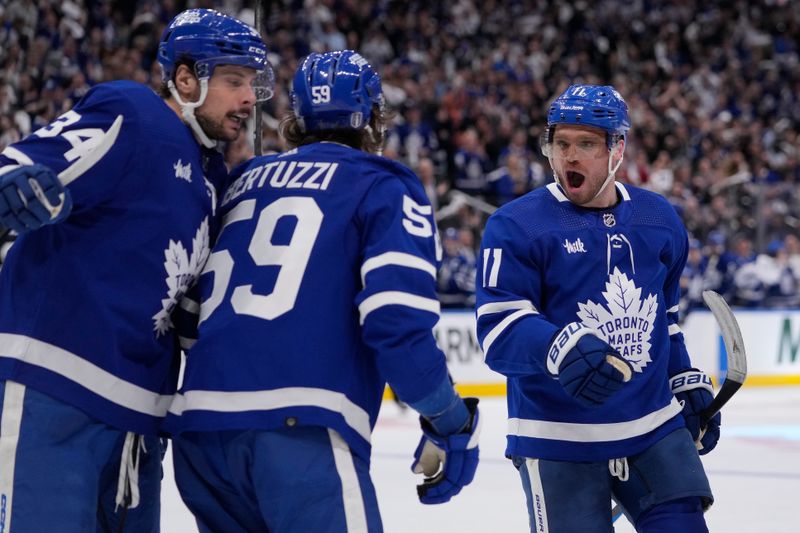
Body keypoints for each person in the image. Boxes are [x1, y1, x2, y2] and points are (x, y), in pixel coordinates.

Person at [165, 50, 481, 533]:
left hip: (201, 434)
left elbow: (187, 318)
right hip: (301, 430)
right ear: (375, 119)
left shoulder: (239, 182)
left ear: (296, 118)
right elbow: (395, 325)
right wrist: (450, 419)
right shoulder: (385, 185)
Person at [0, 9, 273, 532]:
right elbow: (22, 170)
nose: (248, 100)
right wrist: (13, 188)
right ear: (187, 79)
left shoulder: (213, 180)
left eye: (253, 85)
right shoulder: (133, 114)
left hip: (139, 431)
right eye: (234, 81)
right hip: (54, 398)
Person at [475, 84, 720, 532]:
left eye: (586, 144)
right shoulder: (515, 225)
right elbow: (497, 328)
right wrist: (558, 346)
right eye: (561, 143)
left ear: (617, 148)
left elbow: (664, 318)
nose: (570, 156)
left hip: (653, 429)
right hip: (558, 437)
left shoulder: (659, 218)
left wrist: (681, 377)